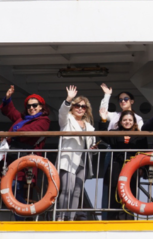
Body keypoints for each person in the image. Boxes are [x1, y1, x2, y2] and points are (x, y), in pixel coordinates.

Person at [0, 85, 51, 209]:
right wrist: (7, 98)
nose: (31, 108)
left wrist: (8, 136)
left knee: (15, 189)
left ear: (41, 106)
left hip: (26, 164)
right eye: (29, 106)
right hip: (12, 159)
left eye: (34, 105)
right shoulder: (22, 118)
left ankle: (21, 217)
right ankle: (20, 216)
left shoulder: (44, 120)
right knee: (10, 189)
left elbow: (29, 132)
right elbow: (10, 111)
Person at [57, 86, 96, 221]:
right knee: (67, 189)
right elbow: (62, 113)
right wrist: (68, 99)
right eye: (77, 105)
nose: (80, 108)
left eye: (83, 107)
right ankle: (61, 218)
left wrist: (93, 148)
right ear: (72, 107)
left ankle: (71, 218)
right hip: (68, 159)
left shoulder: (90, 127)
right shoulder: (66, 120)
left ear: (86, 110)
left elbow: (90, 144)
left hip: (83, 161)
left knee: (77, 192)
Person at [105, 110, 147, 220]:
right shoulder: (115, 133)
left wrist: (142, 168)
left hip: (133, 170)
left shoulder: (140, 135)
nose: (127, 122)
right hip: (116, 168)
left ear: (134, 122)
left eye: (130, 120)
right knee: (114, 196)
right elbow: (103, 135)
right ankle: (112, 223)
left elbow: (144, 153)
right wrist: (103, 119)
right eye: (124, 120)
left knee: (130, 196)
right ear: (120, 122)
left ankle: (128, 222)